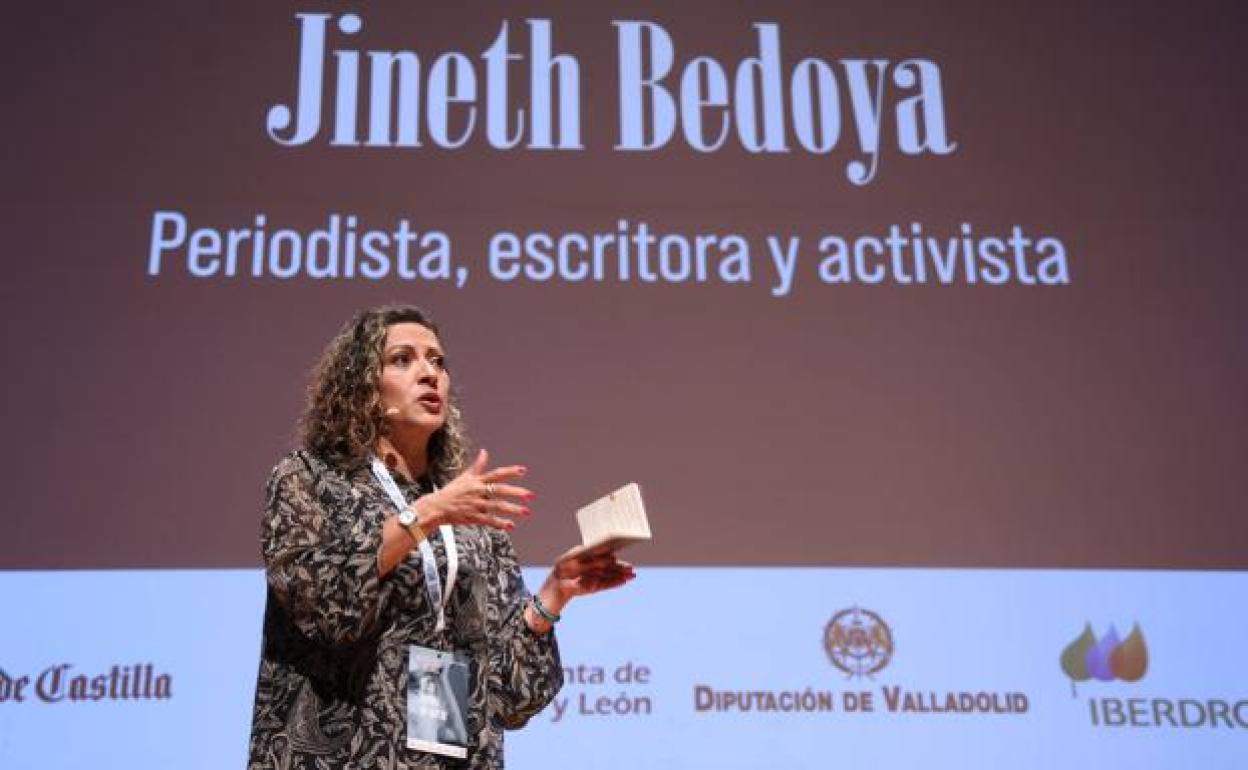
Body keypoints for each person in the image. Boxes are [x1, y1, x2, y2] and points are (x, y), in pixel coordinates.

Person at [247, 304, 635, 769]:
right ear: (361, 388)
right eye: (403, 359)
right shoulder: (308, 480)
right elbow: (328, 609)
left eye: (437, 361)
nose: (428, 373)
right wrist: (426, 514)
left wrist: (552, 597)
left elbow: (512, 698)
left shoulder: (469, 514)